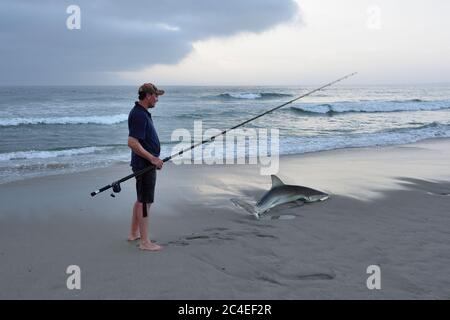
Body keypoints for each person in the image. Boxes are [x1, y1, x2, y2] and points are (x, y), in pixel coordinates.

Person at [127, 83, 165, 251]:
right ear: (148, 95)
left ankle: (134, 234)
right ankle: (145, 242)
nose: (157, 99)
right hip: (144, 165)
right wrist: (153, 159)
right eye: (156, 96)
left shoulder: (141, 113)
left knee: (141, 199)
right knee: (145, 202)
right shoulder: (139, 115)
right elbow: (132, 142)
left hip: (144, 164)